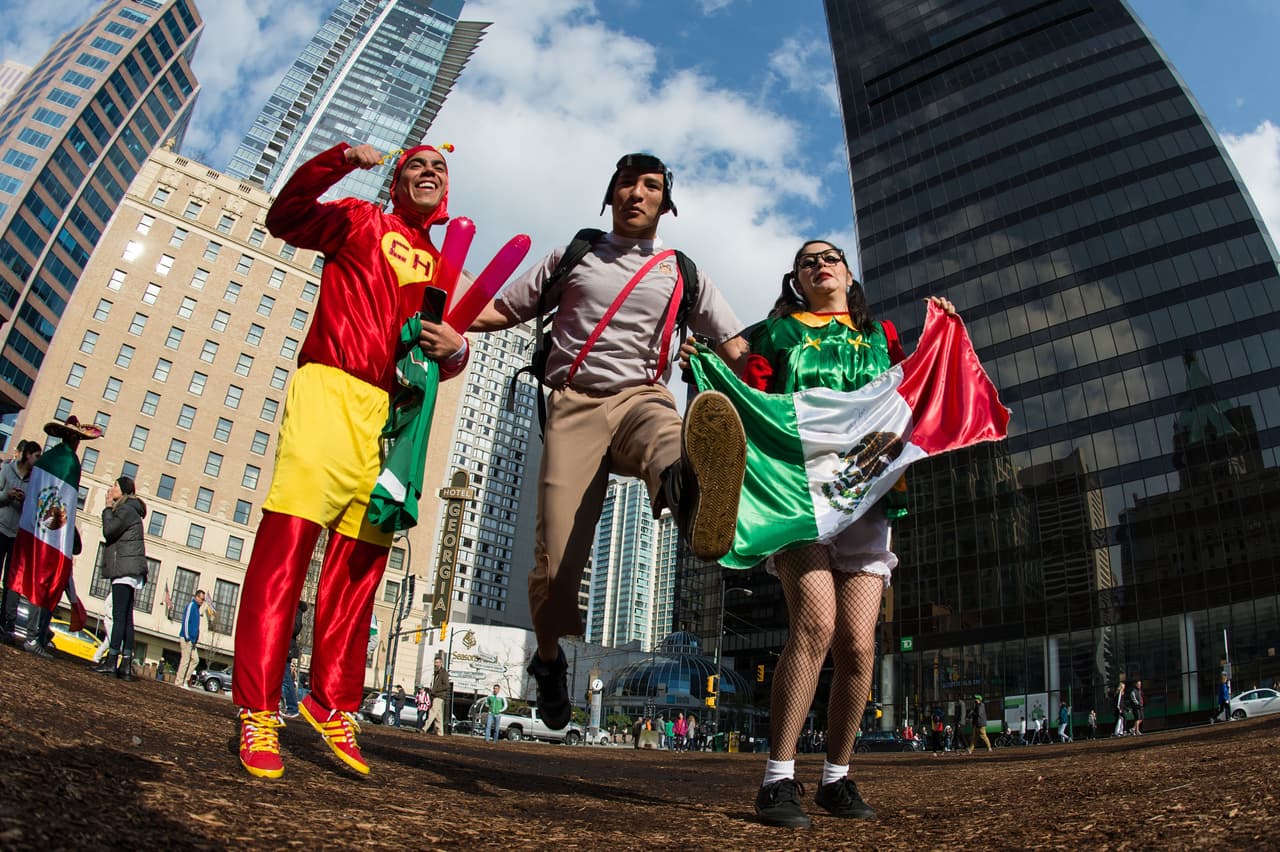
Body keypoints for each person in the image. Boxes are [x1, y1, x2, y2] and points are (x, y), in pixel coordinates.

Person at [469, 153, 750, 730]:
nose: (636, 194)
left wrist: (783, 371)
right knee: (556, 564)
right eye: (627, 184)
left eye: (650, 186)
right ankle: (547, 664)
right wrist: (453, 321)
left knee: (670, 438)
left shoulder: (682, 271)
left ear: (664, 202)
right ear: (611, 194)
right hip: (573, 406)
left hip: (642, 399)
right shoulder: (574, 256)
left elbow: (737, 345)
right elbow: (503, 308)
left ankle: (692, 492)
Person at [231, 140, 468, 780]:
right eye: (416, 163)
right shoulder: (358, 221)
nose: (428, 170)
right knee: (289, 547)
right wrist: (339, 158)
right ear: (395, 180)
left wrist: (457, 352)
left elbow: (435, 356)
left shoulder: (441, 264)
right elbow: (285, 216)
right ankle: (257, 708)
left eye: (439, 168)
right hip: (329, 389)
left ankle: (332, 701)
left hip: (391, 419)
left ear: (446, 194)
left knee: (361, 562)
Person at [725, 240, 957, 829]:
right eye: (808, 261)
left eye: (830, 257)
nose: (820, 264)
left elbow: (914, 390)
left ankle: (836, 778)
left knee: (858, 645)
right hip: (798, 498)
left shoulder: (881, 335)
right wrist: (706, 363)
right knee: (815, 624)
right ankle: (778, 779)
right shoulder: (774, 333)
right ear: (797, 280)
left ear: (849, 274)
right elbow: (745, 389)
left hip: (865, 496)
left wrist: (944, 332)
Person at [90, 476, 147, 680]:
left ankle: (112, 660)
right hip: (130, 568)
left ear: (122, 490)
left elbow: (109, 531)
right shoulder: (132, 510)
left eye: (114, 485)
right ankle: (125, 663)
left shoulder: (125, 509)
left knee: (119, 615)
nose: (111, 488)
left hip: (125, 567)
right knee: (126, 617)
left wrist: (107, 508)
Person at [0, 440, 40, 643]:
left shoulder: (35, 481)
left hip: (18, 535)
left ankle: (5, 622)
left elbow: (36, 507)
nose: (37, 460)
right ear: (26, 455)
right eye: (36, 456)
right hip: (1, 527)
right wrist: (7, 495)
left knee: (11, 581)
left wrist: (26, 499)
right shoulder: (7, 470)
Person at [280, 601, 308, 718]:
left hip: (286, 648)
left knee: (285, 679)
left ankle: (292, 707)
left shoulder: (297, 609)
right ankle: (289, 706)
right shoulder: (291, 606)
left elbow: (295, 629)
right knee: (282, 678)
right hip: (283, 646)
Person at [176, 589, 207, 689]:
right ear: (197, 597)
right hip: (186, 639)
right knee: (185, 660)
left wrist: (196, 638)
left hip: (192, 641)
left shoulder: (197, 609)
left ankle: (185, 680)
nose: (202, 601)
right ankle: (179, 682)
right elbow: (185, 621)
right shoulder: (191, 606)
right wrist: (187, 636)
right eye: (202, 599)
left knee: (195, 660)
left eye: (204, 600)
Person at [423, 656, 451, 735]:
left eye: (438, 662)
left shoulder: (444, 673)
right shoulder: (436, 673)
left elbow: (446, 685)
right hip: (435, 695)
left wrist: (435, 690)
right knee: (438, 715)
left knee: (432, 711)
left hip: (439, 696)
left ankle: (424, 728)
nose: (436, 664)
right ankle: (440, 732)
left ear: (441, 663)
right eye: (435, 662)